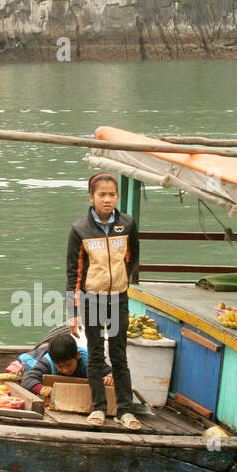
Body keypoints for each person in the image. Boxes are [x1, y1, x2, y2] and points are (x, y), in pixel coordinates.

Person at [66, 172, 141, 429]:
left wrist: (121, 282)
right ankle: (98, 407)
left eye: (112, 194)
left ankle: (125, 410)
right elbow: (74, 274)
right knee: (97, 355)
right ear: (91, 197)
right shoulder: (80, 230)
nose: (107, 200)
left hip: (118, 298)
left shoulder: (127, 225)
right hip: (93, 300)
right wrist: (74, 312)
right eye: (102, 195)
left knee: (119, 354)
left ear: (117, 197)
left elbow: (131, 258)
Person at [19, 329, 113, 399]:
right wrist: (45, 390)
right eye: (59, 366)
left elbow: (110, 371)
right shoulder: (48, 362)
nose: (65, 370)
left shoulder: (90, 360)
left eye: (68, 365)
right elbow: (27, 380)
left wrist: (109, 377)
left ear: (78, 355)